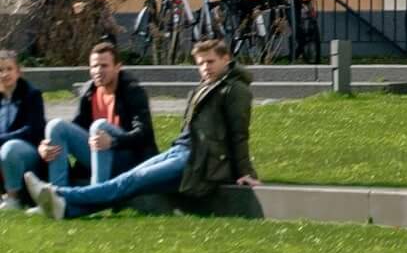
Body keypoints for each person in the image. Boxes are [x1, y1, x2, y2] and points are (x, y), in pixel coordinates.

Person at [28, 36, 258, 220]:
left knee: (129, 182)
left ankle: (58, 193)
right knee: (127, 182)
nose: (205, 68)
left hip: (196, 159)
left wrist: (245, 172)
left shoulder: (234, 90)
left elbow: (239, 134)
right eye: (200, 63)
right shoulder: (208, 86)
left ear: (226, 59)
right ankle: (66, 210)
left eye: (210, 62)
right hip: (179, 150)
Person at [38, 39, 156, 191]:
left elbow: (144, 134)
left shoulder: (133, 91)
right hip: (99, 155)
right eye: (94, 66)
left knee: (99, 126)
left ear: (117, 67)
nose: (98, 71)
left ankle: (96, 195)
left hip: (128, 160)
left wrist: (113, 142)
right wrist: (45, 145)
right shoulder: (89, 91)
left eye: (104, 66)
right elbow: (76, 128)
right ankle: (58, 194)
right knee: (56, 126)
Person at [0, 49, 48, 212]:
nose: (4, 74)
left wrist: (2, 139)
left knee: (9, 148)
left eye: (9, 69)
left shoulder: (31, 95)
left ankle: (14, 199)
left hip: (30, 152)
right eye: (0, 70)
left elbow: (33, 130)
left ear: (18, 72)